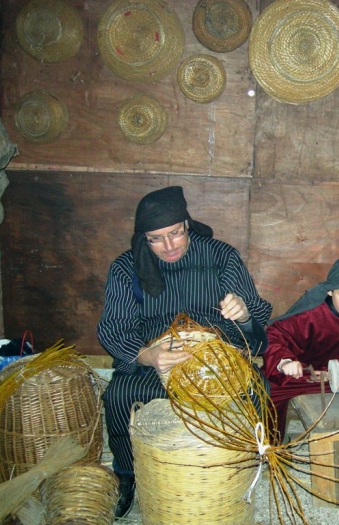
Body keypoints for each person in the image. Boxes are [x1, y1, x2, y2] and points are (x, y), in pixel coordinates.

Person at [97, 186, 272, 517]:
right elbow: (113, 329)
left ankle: (239, 464)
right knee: (120, 394)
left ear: (187, 224)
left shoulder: (221, 257)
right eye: (156, 239)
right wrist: (147, 355)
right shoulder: (125, 268)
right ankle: (128, 473)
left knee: (256, 388)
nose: (168, 246)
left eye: (175, 233)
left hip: (215, 359)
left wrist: (244, 313)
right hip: (157, 360)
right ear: (143, 239)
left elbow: (259, 319)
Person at [262, 256, 339, 443]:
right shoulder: (310, 313)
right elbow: (274, 336)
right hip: (303, 375)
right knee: (269, 394)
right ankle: (273, 447)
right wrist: (284, 361)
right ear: (329, 292)